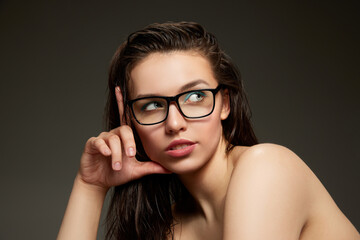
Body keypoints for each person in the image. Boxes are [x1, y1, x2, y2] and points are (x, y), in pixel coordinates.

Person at [57, 22, 360, 240]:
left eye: (194, 97)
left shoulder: (267, 167)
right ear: (131, 120)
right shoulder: (169, 228)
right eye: (151, 105)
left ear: (224, 104)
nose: (174, 123)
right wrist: (91, 186)